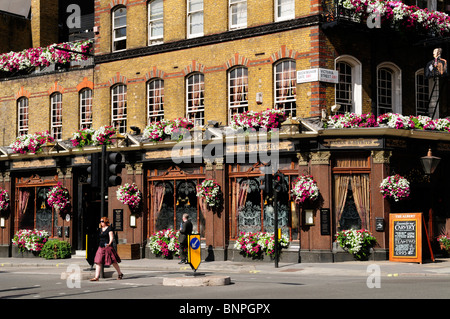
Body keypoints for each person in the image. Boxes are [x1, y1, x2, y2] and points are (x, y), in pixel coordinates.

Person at [90, 217, 123, 281]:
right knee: (98, 261)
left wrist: (109, 243)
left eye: (102, 221)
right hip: (101, 246)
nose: (101, 223)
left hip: (107, 247)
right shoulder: (100, 229)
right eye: (100, 221)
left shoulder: (109, 228)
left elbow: (111, 237)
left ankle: (120, 273)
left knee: (113, 261)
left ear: (105, 221)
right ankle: (96, 277)